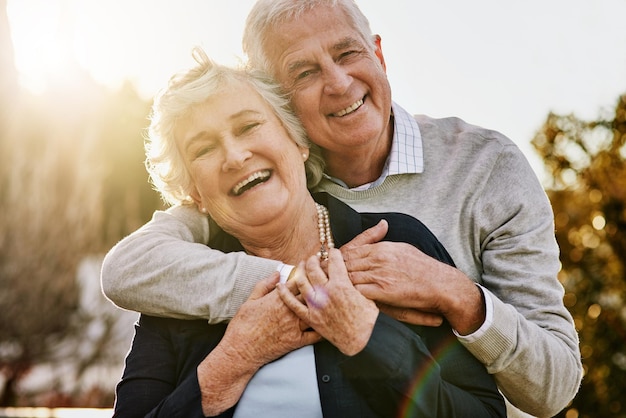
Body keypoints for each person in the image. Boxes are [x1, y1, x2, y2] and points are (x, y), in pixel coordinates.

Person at [102, 0, 582, 416]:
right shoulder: (239, 202)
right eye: (304, 72)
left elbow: (552, 388)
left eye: (348, 53)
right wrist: (296, 288)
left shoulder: (481, 171)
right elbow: (127, 267)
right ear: (285, 110)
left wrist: (452, 292)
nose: (338, 82)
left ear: (378, 54)